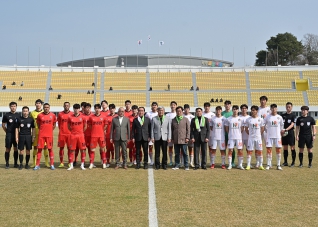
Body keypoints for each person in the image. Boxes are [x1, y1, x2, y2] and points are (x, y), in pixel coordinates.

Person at [33, 103, 57, 170]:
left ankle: (52, 164)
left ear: (49, 108)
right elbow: (38, 124)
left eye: (47, 107)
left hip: (49, 135)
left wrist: (49, 130)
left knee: (50, 149)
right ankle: (37, 165)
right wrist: (43, 130)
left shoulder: (53, 115)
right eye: (45, 107)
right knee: (39, 150)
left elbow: (54, 124)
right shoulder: (40, 115)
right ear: (43, 108)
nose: (46, 108)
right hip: (41, 136)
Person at [263, 104, 284, 170]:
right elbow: (263, 125)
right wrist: (267, 131)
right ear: (270, 109)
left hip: (277, 136)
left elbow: (281, 126)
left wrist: (281, 133)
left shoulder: (279, 117)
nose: (274, 109)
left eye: (275, 108)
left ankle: (278, 165)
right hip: (269, 136)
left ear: (276, 109)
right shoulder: (267, 117)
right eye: (272, 108)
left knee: (278, 150)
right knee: (269, 150)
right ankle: (268, 164)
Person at [30, 99, 50, 168]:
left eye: (39, 103)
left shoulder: (44, 112)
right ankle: (34, 163)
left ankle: (46, 163)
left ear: (41, 105)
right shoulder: (32, 113)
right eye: (37, 103)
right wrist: (33, 134)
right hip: (36, 132)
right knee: (35, 147)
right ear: (35, 104)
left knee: (45, 147)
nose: (38, 104)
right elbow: (31, 124)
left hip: (44, 133)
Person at [245, 105, 265, 170]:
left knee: (259, 151)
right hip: (251, 138)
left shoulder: (260, 119)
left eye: (254, 110)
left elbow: (262, 128)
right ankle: (248, 165)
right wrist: (250, 134)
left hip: (258, 138)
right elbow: (246, 129)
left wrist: (259, 134)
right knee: (249, 151)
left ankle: (261, 165)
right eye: (252, 110)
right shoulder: (248, 119)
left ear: (257, 111)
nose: (252, 111)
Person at [67, 104, 87, 171]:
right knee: (72, 150)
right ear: (73, 109)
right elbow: (69, 126)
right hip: (73, 136)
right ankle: (71, 165)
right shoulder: (70, 117)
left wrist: (80, 132)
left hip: (81, 136)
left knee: (82, 150)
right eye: (75, 108)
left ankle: (82, 165)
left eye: (77, 108)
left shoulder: (83, 117)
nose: (76, 110)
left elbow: (85, 126)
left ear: (79, 109)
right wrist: (73, 132)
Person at [87, 104, 107, 169]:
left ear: (100, 109)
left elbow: (106, 125)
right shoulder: (91, 117)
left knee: (102, 149)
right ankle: (91, 163)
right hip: (93, 136)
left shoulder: (103, 117)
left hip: (101, 136)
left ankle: (104, 163)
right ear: (94, 109)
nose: (97, 109)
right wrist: (94, 130)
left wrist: (101, 130)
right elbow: (89, 126)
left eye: (98, 108)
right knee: (92, 150)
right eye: (96, 108)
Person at [224, 105, 244, 170]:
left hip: (238, 138)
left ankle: (240, 164)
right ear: (232, 110)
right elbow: (226, 129)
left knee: (240, 150)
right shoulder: (228, 119)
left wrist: (238, 134)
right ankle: (230, 164)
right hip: (231, 138)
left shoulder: (240, 119)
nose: (235, 110)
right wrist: (230, 134)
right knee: (230, 150)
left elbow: (242, 129)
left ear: (238, 110)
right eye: (234, 109)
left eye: (236, 109)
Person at [171, 106, 190, 170]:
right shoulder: (173, 120)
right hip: (176, 139)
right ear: (176, 112)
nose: (179, 112)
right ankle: (177, 165)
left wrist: (187, 137)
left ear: (182, 112)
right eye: (177, 111)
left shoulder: (186, 119)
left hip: (183, 139)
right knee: (177, 153)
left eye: (180, 111)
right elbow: (172, 129)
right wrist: (172, 138)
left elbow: (188, 129)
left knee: (184, 153)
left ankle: (186, 165)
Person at [2, 102, 20, 168]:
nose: (13, 107)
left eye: (14, 106)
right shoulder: (6, 115)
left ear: (16, 107)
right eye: (12, 106)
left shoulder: (19, 115)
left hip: (16, 135)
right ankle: (7, 163)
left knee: (16, 149)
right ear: (10, 107)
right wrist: (7, 132)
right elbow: (3, 125)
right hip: (9, 134)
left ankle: (15, 163)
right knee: (8, 149)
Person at [57, 102, 72, 168]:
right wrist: (62, 130)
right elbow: (59, 124)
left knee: (69, 148)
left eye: (67, 105)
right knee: (61, 148)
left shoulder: (72, 114)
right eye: (65, 105)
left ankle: (69, 162)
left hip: (69, 134)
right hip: (62, 134)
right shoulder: (60, 114)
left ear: (69, 106)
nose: (66, 106)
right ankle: (61, 162)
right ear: (63, 106)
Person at [281, 102, 297, 167]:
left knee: (292, 147)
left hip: (290, 133)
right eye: (287, 107)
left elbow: (292, 124)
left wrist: (286, 129)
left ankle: (293, 162)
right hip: (284, 133)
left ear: (291, 107)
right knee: (285, 147)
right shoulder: (282, 115)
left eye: (289, 107)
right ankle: (285, 162)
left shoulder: (293, 115)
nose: (288, 108)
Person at [222, 100, 235, 167]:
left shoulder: (233, 113)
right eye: (226, 104)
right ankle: (223, 162)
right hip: (223, 134)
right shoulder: (222, 113)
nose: (227, 105)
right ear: (224, 105)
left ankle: (232, 162)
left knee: (232, 148)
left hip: (231, 134)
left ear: (230, 105)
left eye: (228, 104)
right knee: (223, 148)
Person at [145, 102, 158, 166]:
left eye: (155, 106)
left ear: (157, 107)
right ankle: (151, 160)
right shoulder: (148, 114)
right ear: (151, 106)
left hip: (157, 132)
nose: (154, 107)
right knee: (150, 147)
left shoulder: (159, 113)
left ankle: (157, 160)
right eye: (153, 105)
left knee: (157, 147)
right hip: (150, 132)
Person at [203, 102, 215, 166]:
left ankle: (211, 162)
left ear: (209, 107)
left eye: (208, 106)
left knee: (211, 148)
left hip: (211, 134)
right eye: (205, 106)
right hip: (203, 134)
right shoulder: (202, 114)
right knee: (203, 149)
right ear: (204, 107)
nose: (207, 107)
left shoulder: (213, 115)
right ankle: (202, 162)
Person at [166, 101, 177, 166]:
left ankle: (177, 161)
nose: (173, 106)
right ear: (170, 106)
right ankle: (170, 161)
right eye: (172, 105)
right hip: (169, 134)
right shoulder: (167, 115)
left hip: (176, 134)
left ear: (176, 106)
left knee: (177, 148)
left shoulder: (178, 114)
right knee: (170, 148)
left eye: (174, 105)